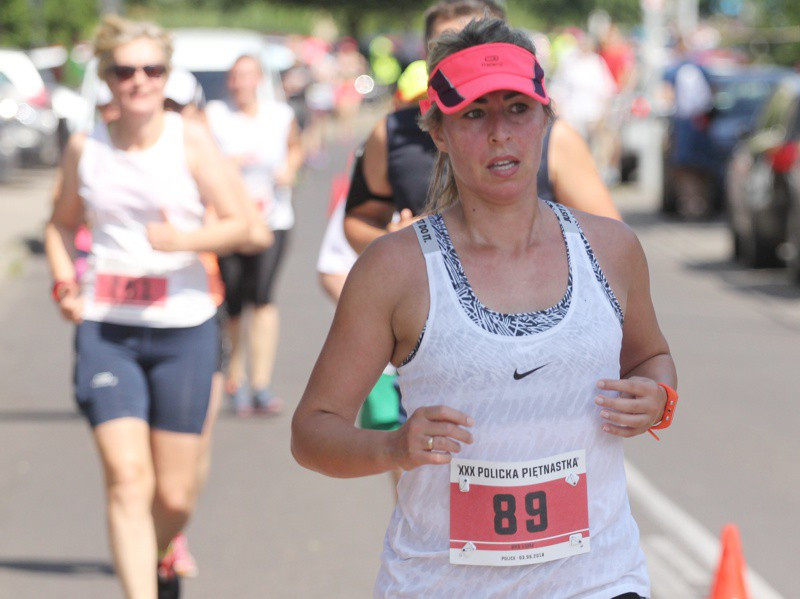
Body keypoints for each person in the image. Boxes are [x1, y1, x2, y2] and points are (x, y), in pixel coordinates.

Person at [292, 18, 677, 597]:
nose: (500, 133)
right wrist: (392, 446)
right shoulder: (395, 269)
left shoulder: (612, 248)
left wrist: (659, 400)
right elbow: (311, 433)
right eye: (474, 113)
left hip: (599, 579)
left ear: (546, 118)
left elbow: (652, 358)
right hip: (443, 583)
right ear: (438, 130)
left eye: (517, 108)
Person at [44, 15, 247, 598]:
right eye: (125, 70)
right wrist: (64, 286)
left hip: (184, 327)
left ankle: (158, 552)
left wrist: (184, 241)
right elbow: (60, 227)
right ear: (105, 78)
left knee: (174, 496)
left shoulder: (191, 139)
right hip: (108, 329)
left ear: (167, 74)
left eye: (152, 69)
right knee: (128, 478)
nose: (139, 81)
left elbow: (247, 226)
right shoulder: (86, 148)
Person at [343, 0, 620, 257]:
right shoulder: (392, 131)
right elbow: (359, 220)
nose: (499, 133)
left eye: (518, 108)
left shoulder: (557, 138)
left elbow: (609, 243)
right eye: (448, 47)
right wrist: (397, 244)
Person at [205, 55, 304, 416]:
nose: (240, 83)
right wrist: (223, 168)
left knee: (262, 297)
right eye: (234, 77)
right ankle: (236, 378)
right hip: (230, 222)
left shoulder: (279, 115)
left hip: (272, 218)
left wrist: (289, 169)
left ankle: (261, 383)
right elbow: (201, 158)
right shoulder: (215, 115)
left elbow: (296, 147)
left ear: (259, 79)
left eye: (247, 76)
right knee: (233, 300)